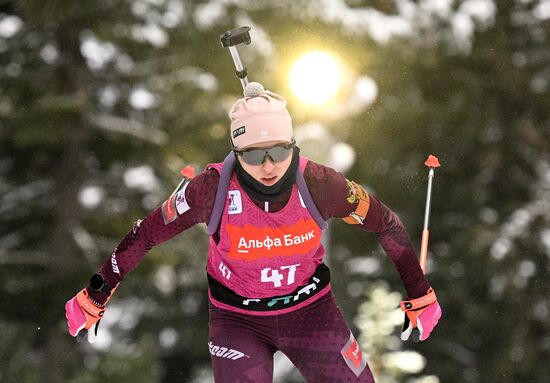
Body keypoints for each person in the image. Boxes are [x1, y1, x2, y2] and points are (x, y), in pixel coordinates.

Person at [65, 83, 441, 382]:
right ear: (235, 151)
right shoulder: (209, 190)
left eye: (278, 151)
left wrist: (419, 291)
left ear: (293, 145)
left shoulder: (321, 183)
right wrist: (96, 293)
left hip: (311, 314)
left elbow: (386, 222)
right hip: (236, 321)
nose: (268, 166)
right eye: (252, 154)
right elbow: (145, 234)